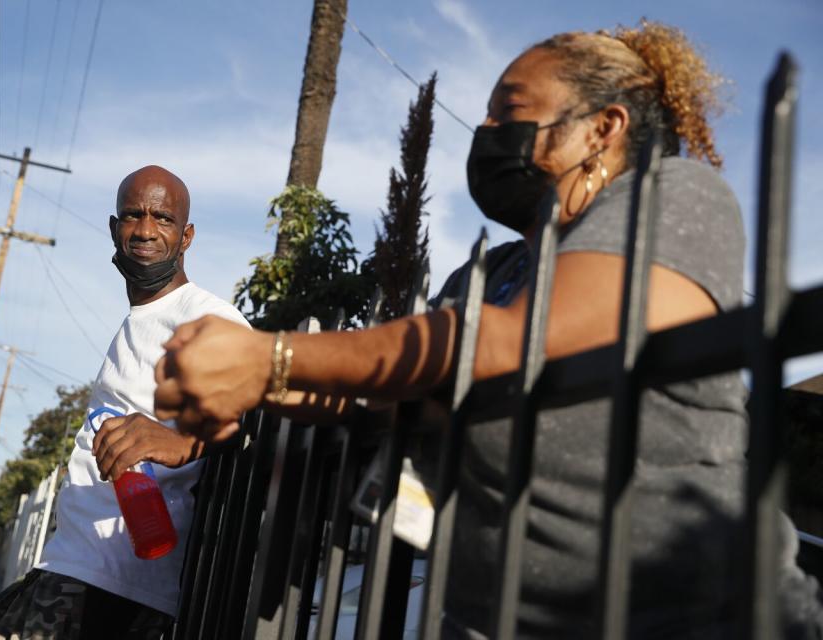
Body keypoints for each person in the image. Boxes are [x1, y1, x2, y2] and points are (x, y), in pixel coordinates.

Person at [152, 21, 823, 639]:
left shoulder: (674, 197)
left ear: (602, 127)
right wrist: (248, 383)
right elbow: (385, 393)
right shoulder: (493, 274)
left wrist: (270, 356)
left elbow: (514, 345)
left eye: (510, 108)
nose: (486, 127)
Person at [0, 165, 248, 639]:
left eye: (163, 219)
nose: (146, 230)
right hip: (73, 565)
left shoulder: (206, 317)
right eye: (133, 215)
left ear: (187, 235)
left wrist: (183, 443)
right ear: (114, 228)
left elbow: (255, 415)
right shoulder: (140, 319)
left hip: (118, 586)